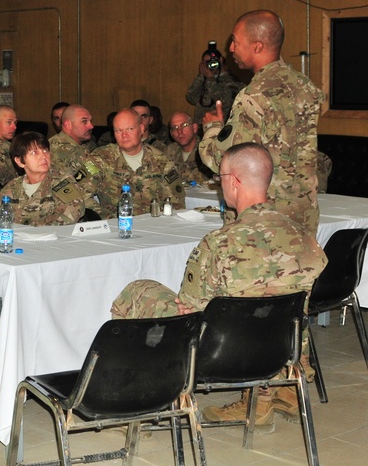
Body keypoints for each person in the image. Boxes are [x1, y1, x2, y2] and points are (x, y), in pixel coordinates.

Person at [111, 142, 326, 431]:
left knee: (138, 292)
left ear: (234, 182)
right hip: (283, 352)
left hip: (219, 358)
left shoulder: (219, 244)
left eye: (219, 179)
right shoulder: (307, 239)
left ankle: (136, 408)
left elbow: (187, 307)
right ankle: (264, 400)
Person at [199, 10, 326, 235]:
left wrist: (213, 128)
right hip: (301, 215)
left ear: (257, 46)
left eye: (235, 42)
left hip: (261, 223)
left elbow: (222, 159)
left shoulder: (253, 96)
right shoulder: (305, 87)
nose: (230, 49)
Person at [79, 108, 185, 215]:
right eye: (119, 131)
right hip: (115, 225)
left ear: (141, 129)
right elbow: (81, 194)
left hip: (152, 225)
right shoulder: (100, 158)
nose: (124, 135)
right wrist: (105, 217)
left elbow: (176, 203)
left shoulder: (161, 161)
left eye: (130, 129)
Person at [1, 132, 95, 226]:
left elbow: (74, 210)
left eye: (45, 151)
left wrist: (38, 229)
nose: (43, 157)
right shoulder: (11, 188)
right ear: (19, 161)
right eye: (34, 153)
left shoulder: (61, 181)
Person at [186, 47, 244, 122]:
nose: (210, 65)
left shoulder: (232, 81)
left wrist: (210, 80)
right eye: (206, 62)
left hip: (219, 127)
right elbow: (191, 98)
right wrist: (200, 76)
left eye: (212, 61)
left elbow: (226, 103)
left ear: (221, 60)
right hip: (201, 127)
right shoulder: (203, 79)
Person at [164, 112, 212, 186]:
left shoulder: (208, 150)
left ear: (194, 128)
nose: (180, 131)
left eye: (185, 125)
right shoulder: (169, 151)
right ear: (171, 134)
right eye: (175, 128)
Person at [49, 105, 96, 176]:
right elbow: (95, 176)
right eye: (84, 121)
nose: (91, 126)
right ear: (68, 125)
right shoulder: (64, 150)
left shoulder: (81, 145)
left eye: (90, 121)